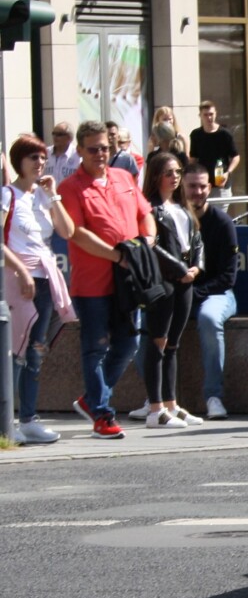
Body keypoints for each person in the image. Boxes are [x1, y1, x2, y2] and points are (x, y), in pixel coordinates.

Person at [59, 120, 156, 440]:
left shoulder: (124, 177)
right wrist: (117, 256)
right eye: (93, 148)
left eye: (105, 147)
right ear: (80, 151)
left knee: (130, 343)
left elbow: (145, 213)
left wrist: (149, 240)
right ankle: (102, 414)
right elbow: (76, 233)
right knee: (95, 348)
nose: (101, 153)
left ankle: (92, 400)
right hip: (92, 283)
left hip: (128, 280)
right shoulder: (71, 187)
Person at [2, 136, 76, 444]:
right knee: (16, 351)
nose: (39, 163)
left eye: (42, 157)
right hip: (21, 277)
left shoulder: (42, 196)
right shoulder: (8, 195)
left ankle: (29, 417)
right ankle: (10, 419)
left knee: (36, 351)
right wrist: (20, 271)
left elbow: (67, 231)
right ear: (19, 161)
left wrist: (53, 196)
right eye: (33, 157)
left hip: (46, 276)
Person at [139, 152, 204, 429]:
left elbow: (197, 241)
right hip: (164, 280)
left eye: (178, 172)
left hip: (185, 280)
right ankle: (155, 408)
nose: (175, 177)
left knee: (174, 344)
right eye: (169, 172)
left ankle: (171, 403)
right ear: (156, 176)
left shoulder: (182, 207)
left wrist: (196, 268)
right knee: (158, 342)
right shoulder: (151, 208)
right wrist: (180, 269)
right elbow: (152, 245)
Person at [179, 164, 238, 420]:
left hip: (217, 293)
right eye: (192, 186)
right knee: (146, 321)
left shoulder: (222, 222)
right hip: (181, 292)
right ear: (182, 186)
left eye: (203, 186)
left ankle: (213, 396)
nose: (198, 191)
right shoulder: (173, 218)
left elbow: (228, 277)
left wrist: (197, 292)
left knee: (209, 320)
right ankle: (155, 399)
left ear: (210, 188)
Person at [189, 100, 241, 198]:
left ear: (216, 114)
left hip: (220, 182)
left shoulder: (224, 134)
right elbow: (193, 158)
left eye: (211, 114)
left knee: (219, 212)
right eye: (205, 115)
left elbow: (236, 157)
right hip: (202, 184)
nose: (209, 117)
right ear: (200, 116)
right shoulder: (196, 135)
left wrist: (228, 173)